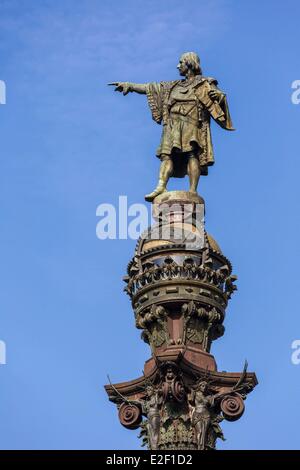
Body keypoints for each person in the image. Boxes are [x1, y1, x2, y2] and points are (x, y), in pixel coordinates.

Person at [109, 52, 234, 201]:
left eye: (181, 63)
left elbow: (219, 97)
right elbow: (151, 88)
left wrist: (218, 96)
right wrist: (129, 86)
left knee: (192, 154)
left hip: (192, 122)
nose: (178, 66)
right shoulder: (172, 86)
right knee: (166, 155)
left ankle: (192, 190)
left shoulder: (205, 83)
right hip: (172, 124)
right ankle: (161, 186)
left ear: (189, 63)